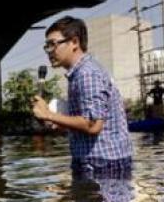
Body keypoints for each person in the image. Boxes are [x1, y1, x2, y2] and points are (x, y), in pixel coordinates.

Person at [32, 16, 133, 178]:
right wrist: (55, 122)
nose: (49, 51)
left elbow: (93, 125)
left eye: (53, 44)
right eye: (47, 46)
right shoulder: (79, 74)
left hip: (102, 165)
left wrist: (48, 114)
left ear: (74, 42)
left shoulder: (87, 74)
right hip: (94, 161)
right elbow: (86, 123)